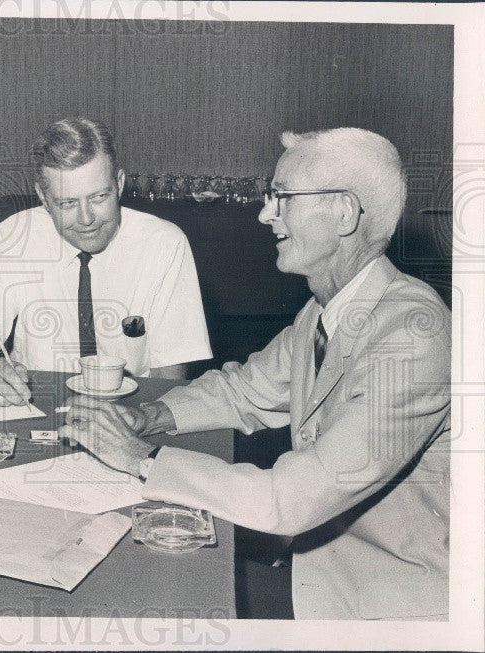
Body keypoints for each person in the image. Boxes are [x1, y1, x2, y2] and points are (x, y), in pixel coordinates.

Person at [60, 128, 450, 620]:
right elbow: (244, 389)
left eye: (281, 197)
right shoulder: (325, 311)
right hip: (308, 569)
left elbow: (287, 499)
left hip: (378, 609)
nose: (265, 214)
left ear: (345, 214)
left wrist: (142, 457)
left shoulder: (413, 337)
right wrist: (151, 416)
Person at [0, 117, 212, 406]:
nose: (86, 219)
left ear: (120, 184)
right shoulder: (16, 234)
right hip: (38, 403)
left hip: (132, 407)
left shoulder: (165, 243)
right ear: (44, 197)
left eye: (99, 197)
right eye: (68, 203)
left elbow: (169, 372)